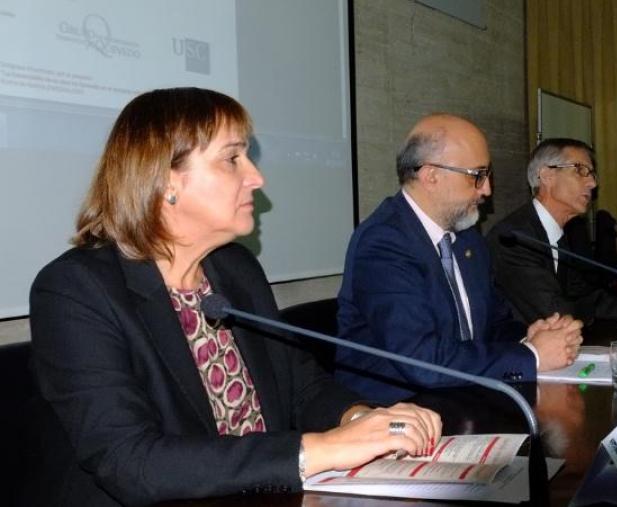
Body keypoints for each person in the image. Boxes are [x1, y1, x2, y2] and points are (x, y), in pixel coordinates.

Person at [23, 88, 440, 507]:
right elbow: (130, 461)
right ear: (166, 180)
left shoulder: (236, 270)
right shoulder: (75, 291)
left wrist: (363, 421)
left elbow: (301, 388)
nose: (256, 177)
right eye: (232, 158)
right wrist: (322, 449)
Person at [335, 114, 583, 404]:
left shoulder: (468, 240)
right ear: (431, 176)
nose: (487, 189)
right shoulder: (384, 243)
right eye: (477, 175)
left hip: (462, 395)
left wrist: (529, 335)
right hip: (398, 410)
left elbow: (494, 324)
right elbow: (421, 361)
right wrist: (532, 355)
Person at [486, 138, 617, 326]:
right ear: (546, 175)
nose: (592, 183)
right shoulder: (514, 238)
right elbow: (554, 313)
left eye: (592, 174)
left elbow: (587, 297)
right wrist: (585, 307)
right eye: (580, 171)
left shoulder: (559, 235)